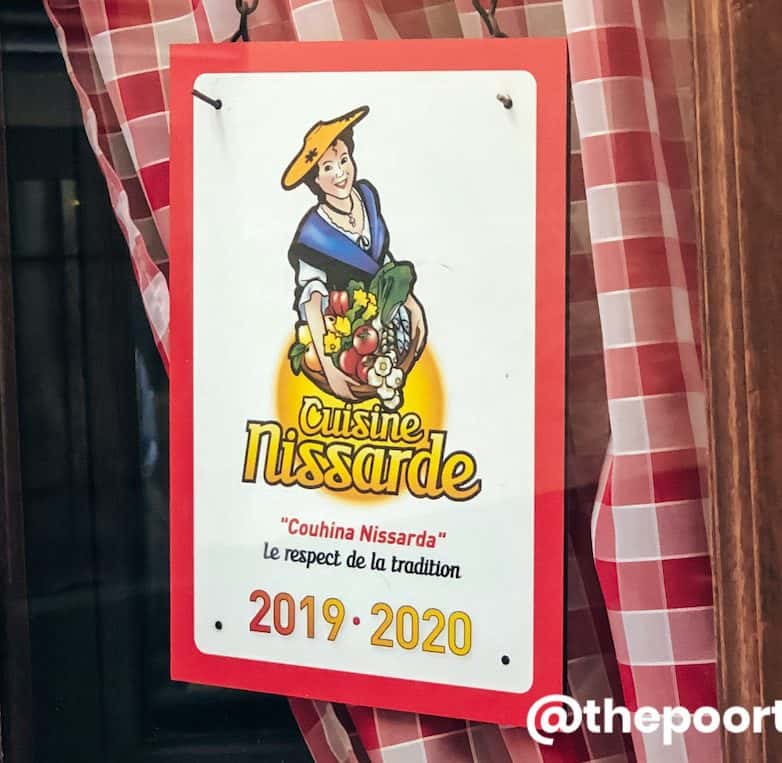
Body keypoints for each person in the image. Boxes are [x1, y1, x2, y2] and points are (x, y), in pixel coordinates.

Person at [282, 106, 426, 401]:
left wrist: (412, 305)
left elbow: (381, 262)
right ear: (315, 180)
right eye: (327, 168)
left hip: (386, 323)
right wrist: (330, 369)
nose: (340, 173)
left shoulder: (367, 196)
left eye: (344, 160)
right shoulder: (312, 234)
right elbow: (313, 301)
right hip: (344, 333)